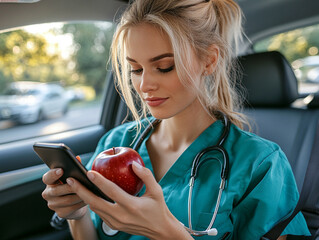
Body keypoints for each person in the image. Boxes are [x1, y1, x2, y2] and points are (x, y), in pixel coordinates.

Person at [42, 0, 311, 239]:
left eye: (164, 67)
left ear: (209, 60)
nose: (144, 85)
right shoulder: (116, 141)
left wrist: (167, 232)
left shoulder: (259, 164)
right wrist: (77, 215)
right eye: (135, 69)